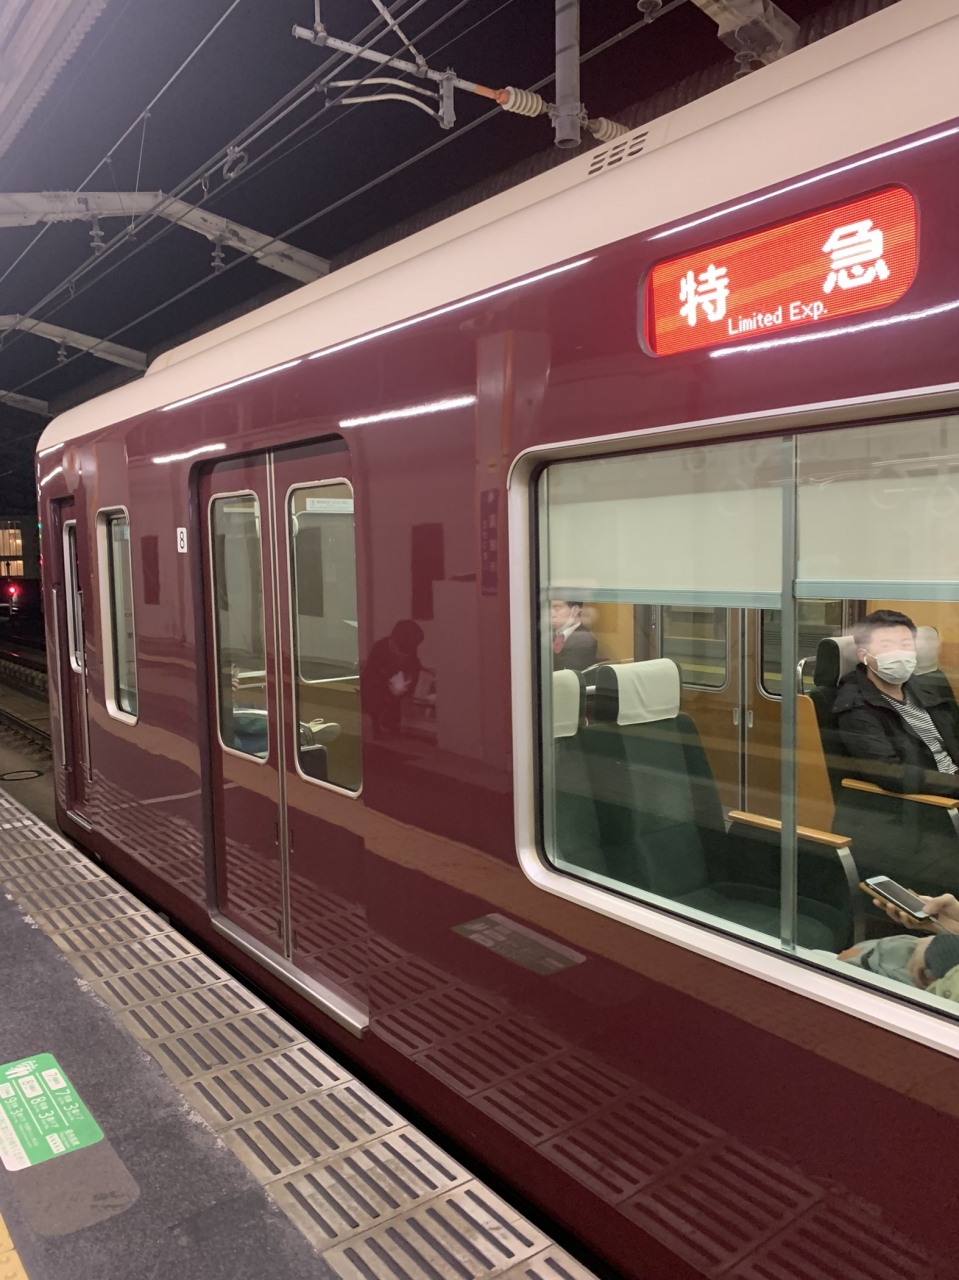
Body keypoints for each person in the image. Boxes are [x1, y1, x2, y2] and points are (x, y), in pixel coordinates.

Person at [834, 609, 959, 798]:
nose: (899, 653)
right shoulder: (856, 708)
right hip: (932, 800)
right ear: (863, 655)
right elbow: (892, 774)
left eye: (906, 644)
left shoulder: (922, 687)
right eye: (886, 645)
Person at [364, 619, 424, 738]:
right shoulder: (381, 647)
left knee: (397, 695)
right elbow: (372, 672)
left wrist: (411, 679)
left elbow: (414, 665)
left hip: (397, 681)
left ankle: (391, 723)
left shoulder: (408, 648)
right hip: (379, 683)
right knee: (376, 694)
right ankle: (379, 725)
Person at [550, 600, 598, 672]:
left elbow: (566, 673)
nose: (551, 614)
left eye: (557, 608)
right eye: (549, 608)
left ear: (575, 611)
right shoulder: (548, 634)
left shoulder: (585, 639)